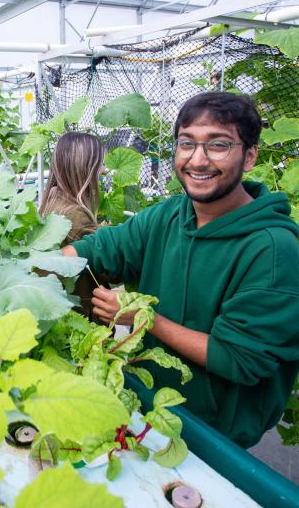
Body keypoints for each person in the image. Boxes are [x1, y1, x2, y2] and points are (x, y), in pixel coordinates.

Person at [63, 92, 299, 448]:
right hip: (149, 405)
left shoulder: (272, 250)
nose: (198, 160)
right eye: (186, 143)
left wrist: (142, 317)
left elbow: (238, 358)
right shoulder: (170, 215)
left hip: (217, 434)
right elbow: (98, 249)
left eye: (218, 145)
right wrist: (18, 274)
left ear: (250, 156)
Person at [40, 131, 106, 322]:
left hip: (63, 313)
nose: (102, 171)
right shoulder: (76, 215)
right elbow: (107, 267)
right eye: (99, 165)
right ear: (85, 169)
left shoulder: (53, 200)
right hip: (84, 321)